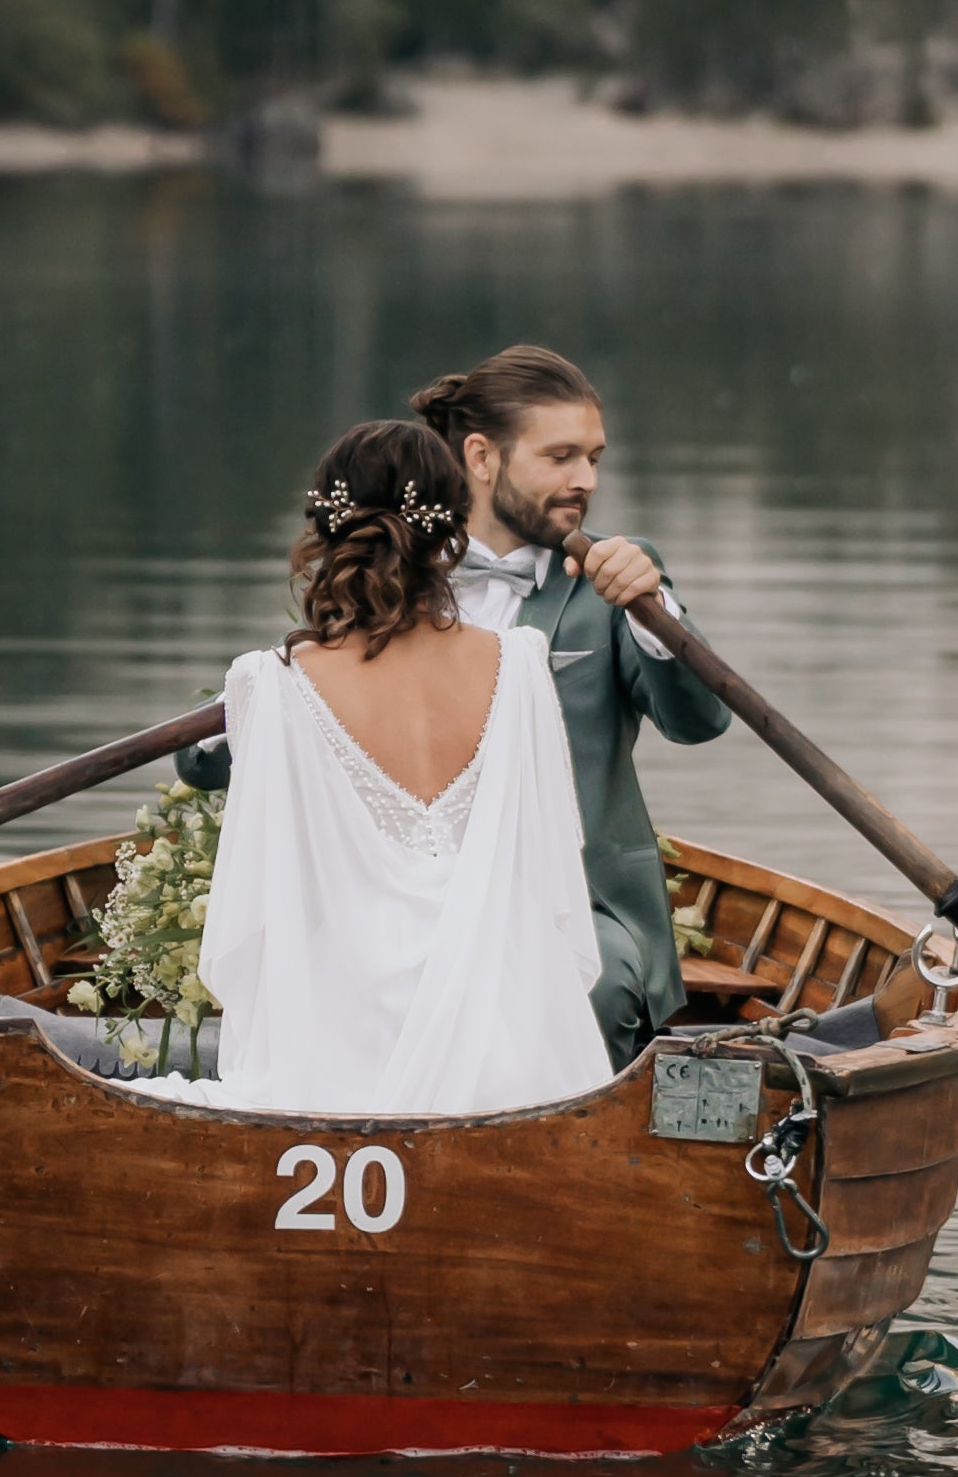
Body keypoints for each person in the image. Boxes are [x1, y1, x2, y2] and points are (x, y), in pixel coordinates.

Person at [178, 344, 724, 1067]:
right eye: (561, 456)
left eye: (594, 458)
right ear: (481, 455)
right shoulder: (382, 576)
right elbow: (210, 761)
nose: (586, 480)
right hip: (385, 902)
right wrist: (259, 698)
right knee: (335, 977)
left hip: (575, 900)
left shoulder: (613, 578)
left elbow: (699, 721)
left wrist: (655, 611)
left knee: (573, 986)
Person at [140, 416, 615, 1117]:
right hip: (510, 1052)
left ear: (325, 530)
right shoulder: (520, 663)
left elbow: (262, 903)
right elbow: (546, 878)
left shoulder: (269, 682)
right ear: (453, 531)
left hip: (335, 1049)